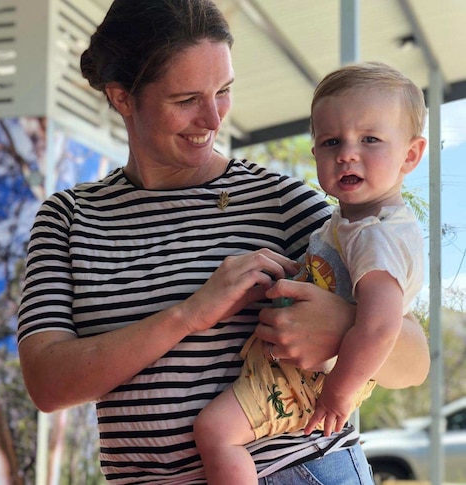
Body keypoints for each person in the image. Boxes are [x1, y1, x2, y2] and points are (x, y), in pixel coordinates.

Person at [15, 1, 430, 483]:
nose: (213, 118)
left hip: (300, 470)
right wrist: (189, 314)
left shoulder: (285, 201)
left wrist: (341, 322)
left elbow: (414, 362)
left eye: (224, 91)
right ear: (123, 97)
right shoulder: (69, 218)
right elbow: (47, 384)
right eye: (186, 98)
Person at [193, 61, 427, 484]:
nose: (347, 153)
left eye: (370, 139)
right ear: (315, 150)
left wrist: (338, 393)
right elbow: (333, 284)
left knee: (216, 431)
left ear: (410, 154)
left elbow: (379, 327)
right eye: (331, 140)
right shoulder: (350, 223)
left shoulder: (377, 237)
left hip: (313, 385)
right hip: (303, 375)